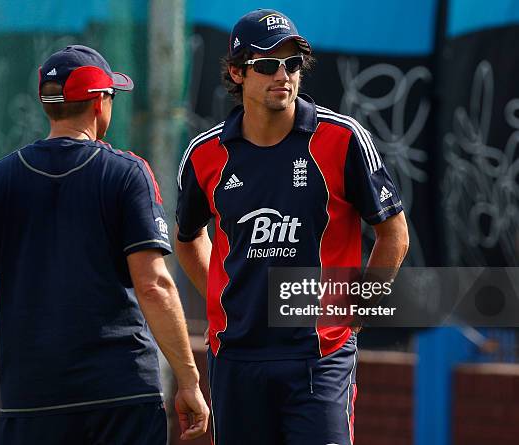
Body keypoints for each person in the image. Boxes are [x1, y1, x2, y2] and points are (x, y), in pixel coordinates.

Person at [0, 44, 208, 445]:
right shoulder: (127, 173)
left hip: (31, 401)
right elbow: (154, 285)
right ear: (99, 101)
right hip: (121, 398)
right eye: (111, 95)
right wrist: (189, 381)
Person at [175, 9, 409, 445]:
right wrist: (227, 295)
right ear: (236, 72)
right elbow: (187, 240)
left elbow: (394, 232)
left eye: (292, 63)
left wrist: (360, 305)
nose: (282, 75)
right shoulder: (204, 155)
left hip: (320, 357)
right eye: (267, 64)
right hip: (237, 358)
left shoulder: (343, 138)